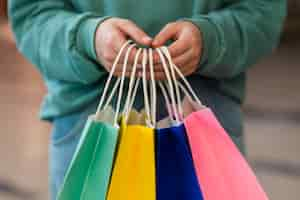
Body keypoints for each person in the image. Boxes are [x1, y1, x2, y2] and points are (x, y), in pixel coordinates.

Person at [9, 0, 286, 199]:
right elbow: (32, 14)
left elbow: (263, 12)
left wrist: (210, 40)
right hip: (89, 132)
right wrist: (88, 39)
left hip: (205, 133)